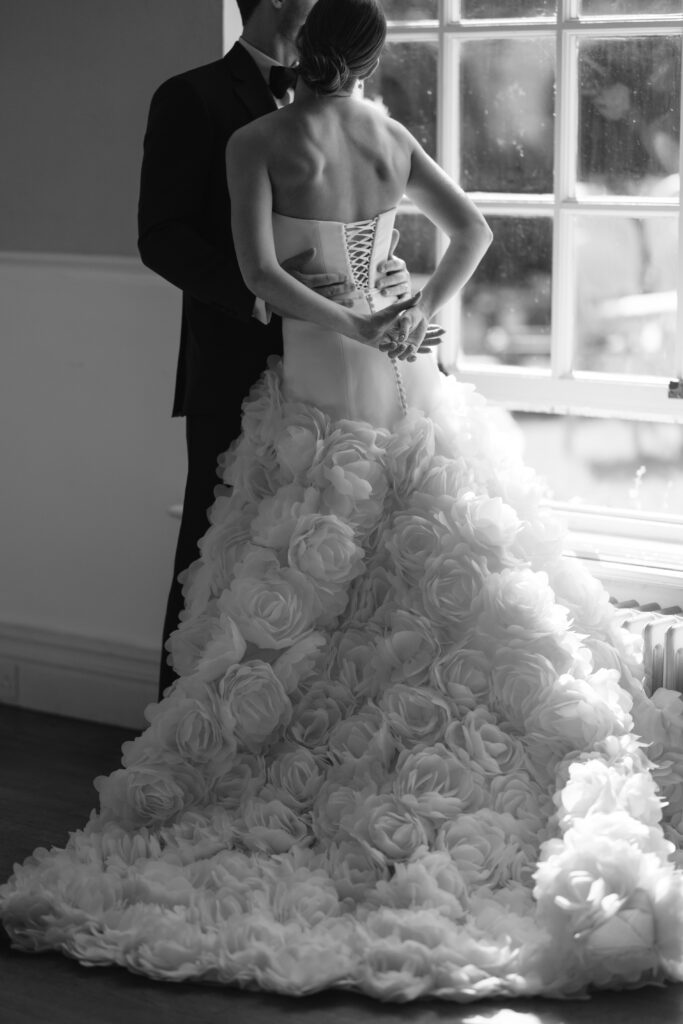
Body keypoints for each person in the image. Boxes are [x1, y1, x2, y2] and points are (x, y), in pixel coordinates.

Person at [3, 0, 683, 1004]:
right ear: (371, 57)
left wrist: (349, 321)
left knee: (292, 559)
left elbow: (259, 272)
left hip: (322, 364)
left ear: (301, 44)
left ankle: (278, 752)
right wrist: (403, 310)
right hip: (400, 368)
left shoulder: (255, 138)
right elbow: (475, 228)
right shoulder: (390, 133)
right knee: (412, 556)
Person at [138, 0, 423, 701]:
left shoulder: (349, 97)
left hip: (344, 364)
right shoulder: (190, 97)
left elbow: (357, 208)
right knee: (219, 556)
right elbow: (162, 236)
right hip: (237, 361)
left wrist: (386, 270)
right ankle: (183, 729)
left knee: (348, 549)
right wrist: (262, 288)